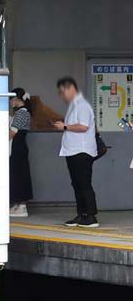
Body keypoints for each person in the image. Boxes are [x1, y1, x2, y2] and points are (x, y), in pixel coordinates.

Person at [53, 77, 98, 227]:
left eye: (62, 92)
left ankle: (91, 216)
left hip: (82, 151)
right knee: (77, 183)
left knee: (84, 183)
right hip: (72, 150)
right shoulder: (74, 105)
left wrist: (65, 126)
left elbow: (83, 127)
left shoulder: (82, 105)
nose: (62, 95)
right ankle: (82, 214)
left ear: (71, 88)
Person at [9, 88, 34, 217]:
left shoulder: (21, 113)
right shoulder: (23, 112)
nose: (11, 102)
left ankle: (22, 206)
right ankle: (17, 205)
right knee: (19, 174)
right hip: (20, 147)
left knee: (19, 175)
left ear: (17, 99)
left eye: (11, 99)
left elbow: (12, 133)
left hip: (17, 147)